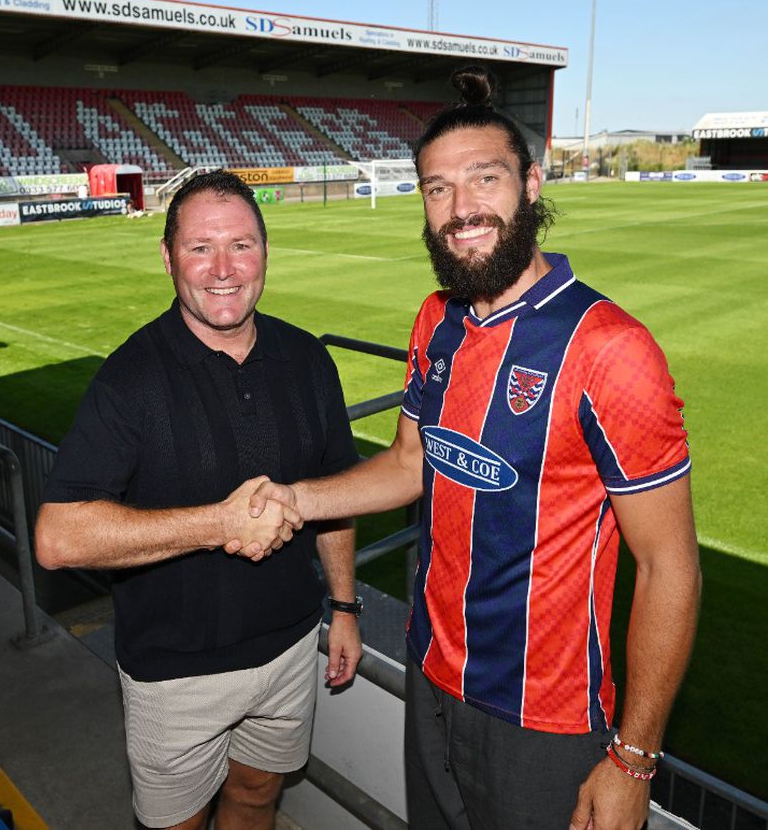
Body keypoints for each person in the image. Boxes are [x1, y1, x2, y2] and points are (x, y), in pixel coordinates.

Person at [247, 66, 701, 830]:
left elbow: (669, 567)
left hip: (541, 719)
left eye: (483, 179)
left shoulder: (610, 350)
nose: (461, 210)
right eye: (436, 189)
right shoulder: (438, 321)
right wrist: (292, 499)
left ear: (529, 185)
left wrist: (632, 758)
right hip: (431, 675)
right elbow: (408, 465)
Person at [35, 169, 362, 830]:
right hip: (174, 675)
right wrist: (216, 523)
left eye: (241, 245)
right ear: (167, 257)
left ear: (266, 253)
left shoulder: (308, 359)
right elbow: (58, 536)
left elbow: (335, 493)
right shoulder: (131, 378)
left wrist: (347, 607)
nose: (223, 269)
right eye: (199, 247)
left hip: (292, 647)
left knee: (257, 797)